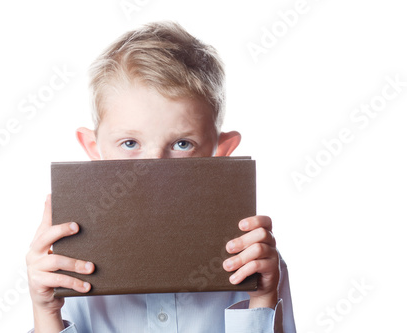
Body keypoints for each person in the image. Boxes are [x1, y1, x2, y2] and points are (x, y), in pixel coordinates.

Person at [26, 21, 296, 333]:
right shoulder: (67, 265)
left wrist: (262, 300)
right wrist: (45, 313)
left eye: (183, 144)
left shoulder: (255, 261)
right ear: (93, 148)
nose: (153, 169)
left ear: (221, 152)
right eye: (130, 143)